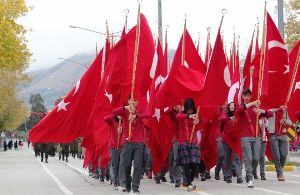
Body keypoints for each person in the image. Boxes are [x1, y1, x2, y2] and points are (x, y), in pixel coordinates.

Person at [236, 89, 272, 188]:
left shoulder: (256, 108)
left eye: (248, 95)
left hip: (256, 137)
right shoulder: (241, 107)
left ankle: (253, 172)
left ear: (251, 96)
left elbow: (270, 114)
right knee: (248, 159)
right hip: (245, 137)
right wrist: (253, 103)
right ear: (242, 97)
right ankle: (249, 178)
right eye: (245, 96)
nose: (246, 98)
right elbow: (239, 110)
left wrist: (262, 111)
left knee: (256, 158)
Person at [113, 98, 150, 193]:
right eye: (132, 100)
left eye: (136, 100)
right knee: (127, 165)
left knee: (138, 165)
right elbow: (114, 112)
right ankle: (128, 184)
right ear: (128, 101)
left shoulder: (140, 110)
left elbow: (148, 115)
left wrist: (136, 116)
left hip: (139, 142)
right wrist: (125, 107)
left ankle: (135, 187)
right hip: (128, 142)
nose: (134, 102)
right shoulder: (125, 111)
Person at [176, 98, 201, 192]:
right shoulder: (182, 114)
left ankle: (192, 180)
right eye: (188, 109)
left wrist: (198, 121)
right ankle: (190, 183)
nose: (190, 110)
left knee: (194, 162)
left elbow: (201, 124)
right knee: (186, 163)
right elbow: (178, 117)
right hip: (183, 141)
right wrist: (189, 116)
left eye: (191, 109)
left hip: (193, 141)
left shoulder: (196, 114)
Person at [219, 102, 243, 184]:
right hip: (226, 141)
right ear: (229, 107)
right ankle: (228, 176)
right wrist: (229, 118)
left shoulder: (238, 116)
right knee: (227, 159)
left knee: (237, 159)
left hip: (235, 141)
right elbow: (221, 119)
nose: (232, 107)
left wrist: (235, 119)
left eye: (233, 106)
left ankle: (239, 177)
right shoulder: (225, 115)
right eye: (231, 106)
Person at [268, 106, 292, 181]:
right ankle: (280, 173)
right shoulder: (272, 111)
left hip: (283, 135)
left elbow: (290, 123)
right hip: (273, 135)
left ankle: (279, 169)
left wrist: (284, 120)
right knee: (277, 155)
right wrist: (279, 109)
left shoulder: (285, 112)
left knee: (284, 155)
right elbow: (269, 111)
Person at [104, 113, 125, 190]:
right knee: (114, 165)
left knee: (122, 164)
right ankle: (114, 181)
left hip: (122, 146)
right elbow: (105, 118)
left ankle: (121, 182)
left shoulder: (125, 121)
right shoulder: (112, 121)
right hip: (113, 146)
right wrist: (115, 116)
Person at [167, 105, 184, 187]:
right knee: (176, 158)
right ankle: (176, 177)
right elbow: (168, 112)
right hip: (176, 139)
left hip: (185, 139)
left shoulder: (186, 113)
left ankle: (183, 177)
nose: (179, 106)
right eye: (178, 105)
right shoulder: (174, 114)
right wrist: (173, 108)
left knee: (184, 159)